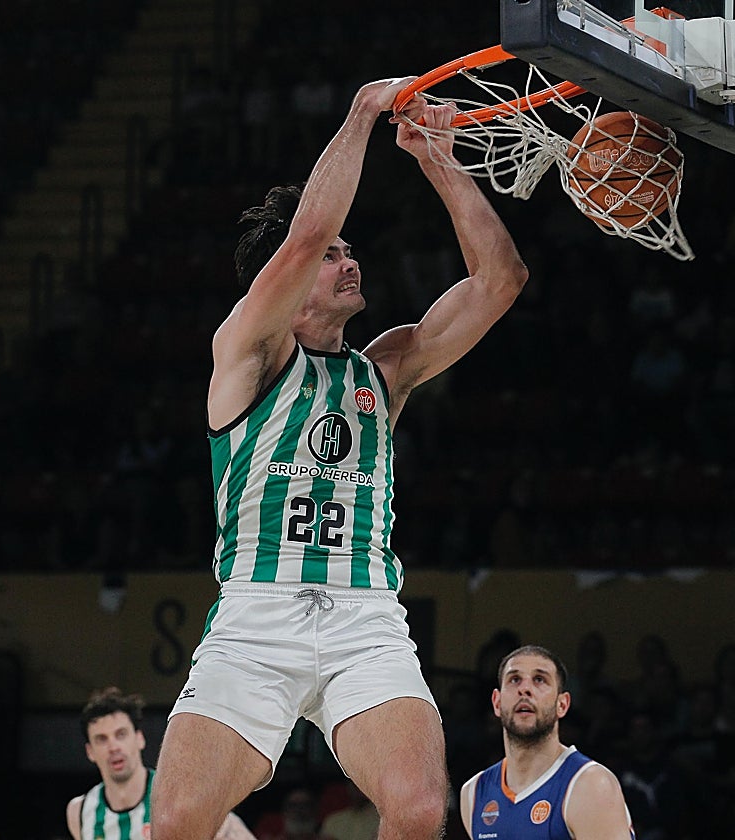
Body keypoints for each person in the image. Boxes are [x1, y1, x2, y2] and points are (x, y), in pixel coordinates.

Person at [150, 76, 529, 840]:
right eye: (333, 256)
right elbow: (305, 233)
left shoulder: (384, 368)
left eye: (351, 251)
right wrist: (363, 110)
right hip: (256, 613)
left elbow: (500, 282)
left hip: (363, 619)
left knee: (421, 810)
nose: (348, 261)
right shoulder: (247, 351)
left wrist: (439, 160)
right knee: (178, 822)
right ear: (288, 282)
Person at [459, 645, 634, 839]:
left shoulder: (590, 786)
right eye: (514, 679)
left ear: (562, 705)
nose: (524, 689)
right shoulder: (474, 793)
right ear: (497, 702)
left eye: (539, 680)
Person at [66, 687, 254, 840]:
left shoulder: (181, 797)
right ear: (90, 752)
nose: (113, 746)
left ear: (139, 739)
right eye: (101, 739)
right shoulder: (80, 812)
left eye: (121, 734)